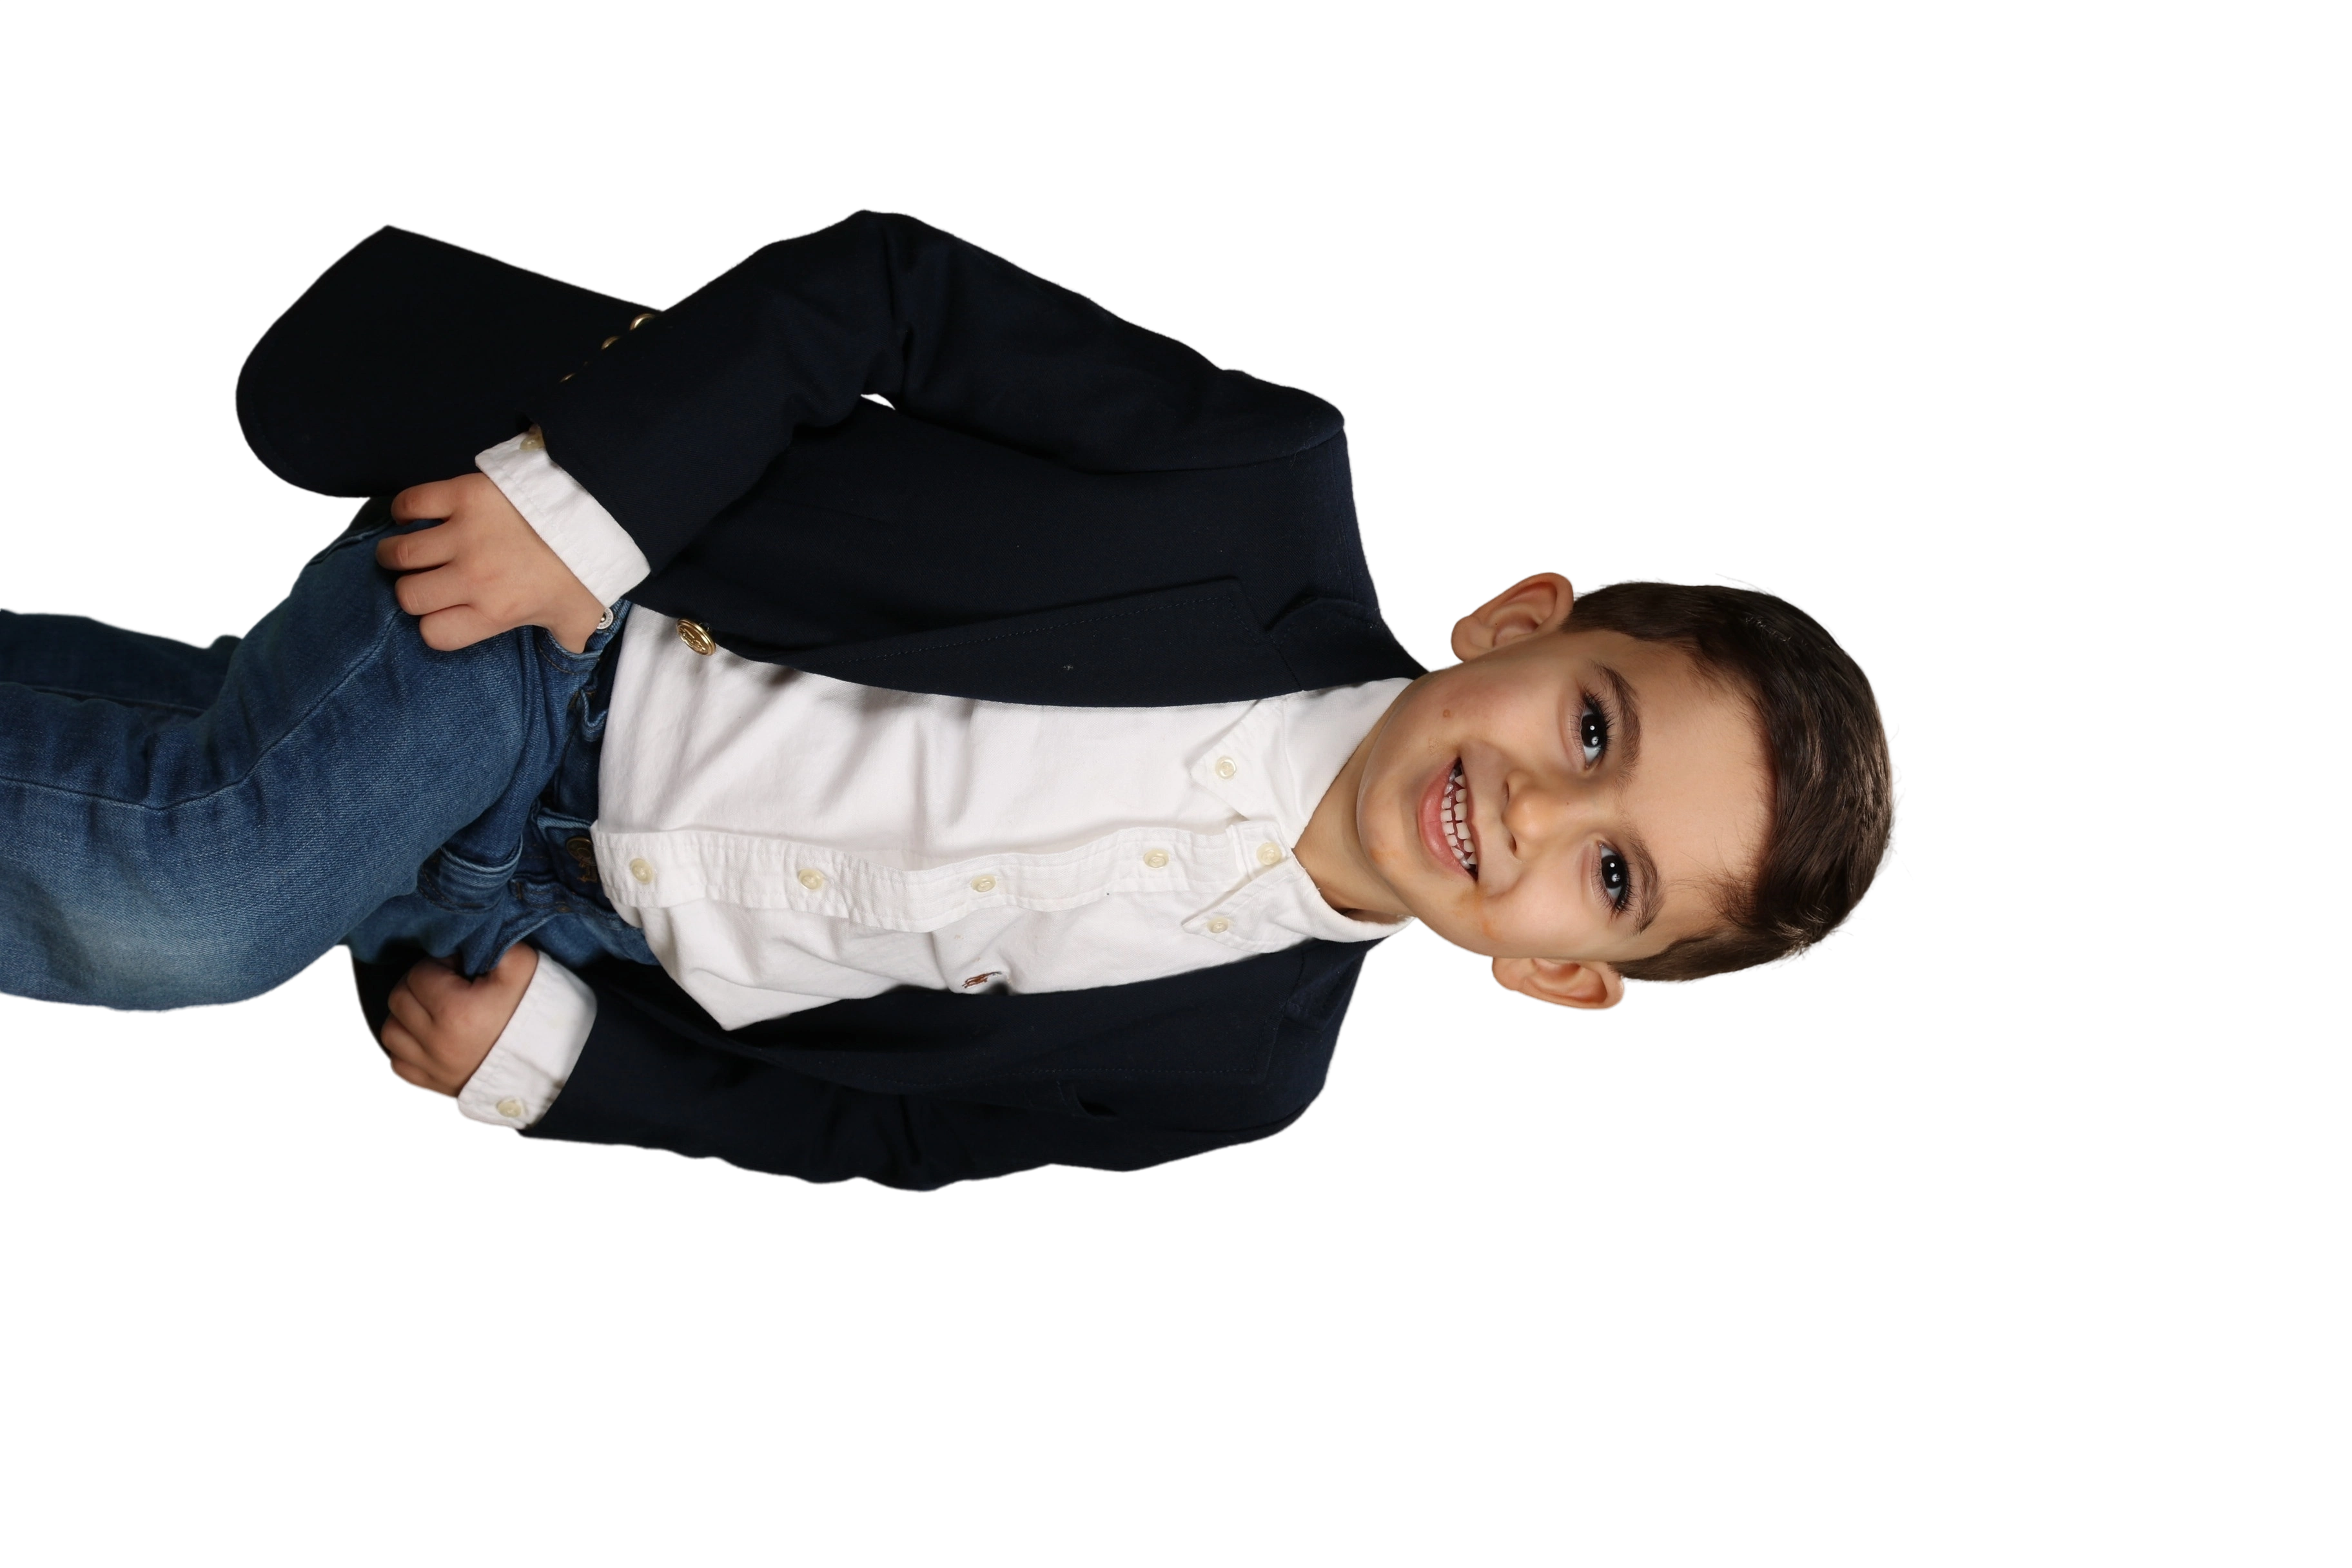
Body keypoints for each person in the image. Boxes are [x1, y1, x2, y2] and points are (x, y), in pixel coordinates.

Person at [1, 208, 1903, 1192]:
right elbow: (890, 296)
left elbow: (887, 1132)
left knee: (159, 781)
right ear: (1520, 623)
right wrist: (590, 505)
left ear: (1563, 975)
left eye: (1614, 880)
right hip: (552, 648)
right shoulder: (1254, 490)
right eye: (1595, 730)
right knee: (200, 901)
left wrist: (579, 1073)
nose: (1545, 814)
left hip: (554, 933)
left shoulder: (1242, 1072)